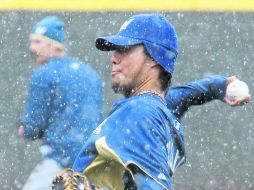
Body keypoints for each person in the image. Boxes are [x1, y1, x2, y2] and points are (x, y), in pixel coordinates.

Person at [72, 13, 251, 190]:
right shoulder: (161, 110)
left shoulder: (139, 112)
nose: (114, 58)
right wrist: (216, 86)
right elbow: (180, 98)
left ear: (153, 58)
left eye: (125, 48)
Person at [18, 16, 103, 190]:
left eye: (37, 42)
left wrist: (24, 129)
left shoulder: (44, 75)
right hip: (93, 160)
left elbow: (33, 125)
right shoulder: (90, 73)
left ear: (53, 45)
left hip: (60, 159)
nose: (31, 48)